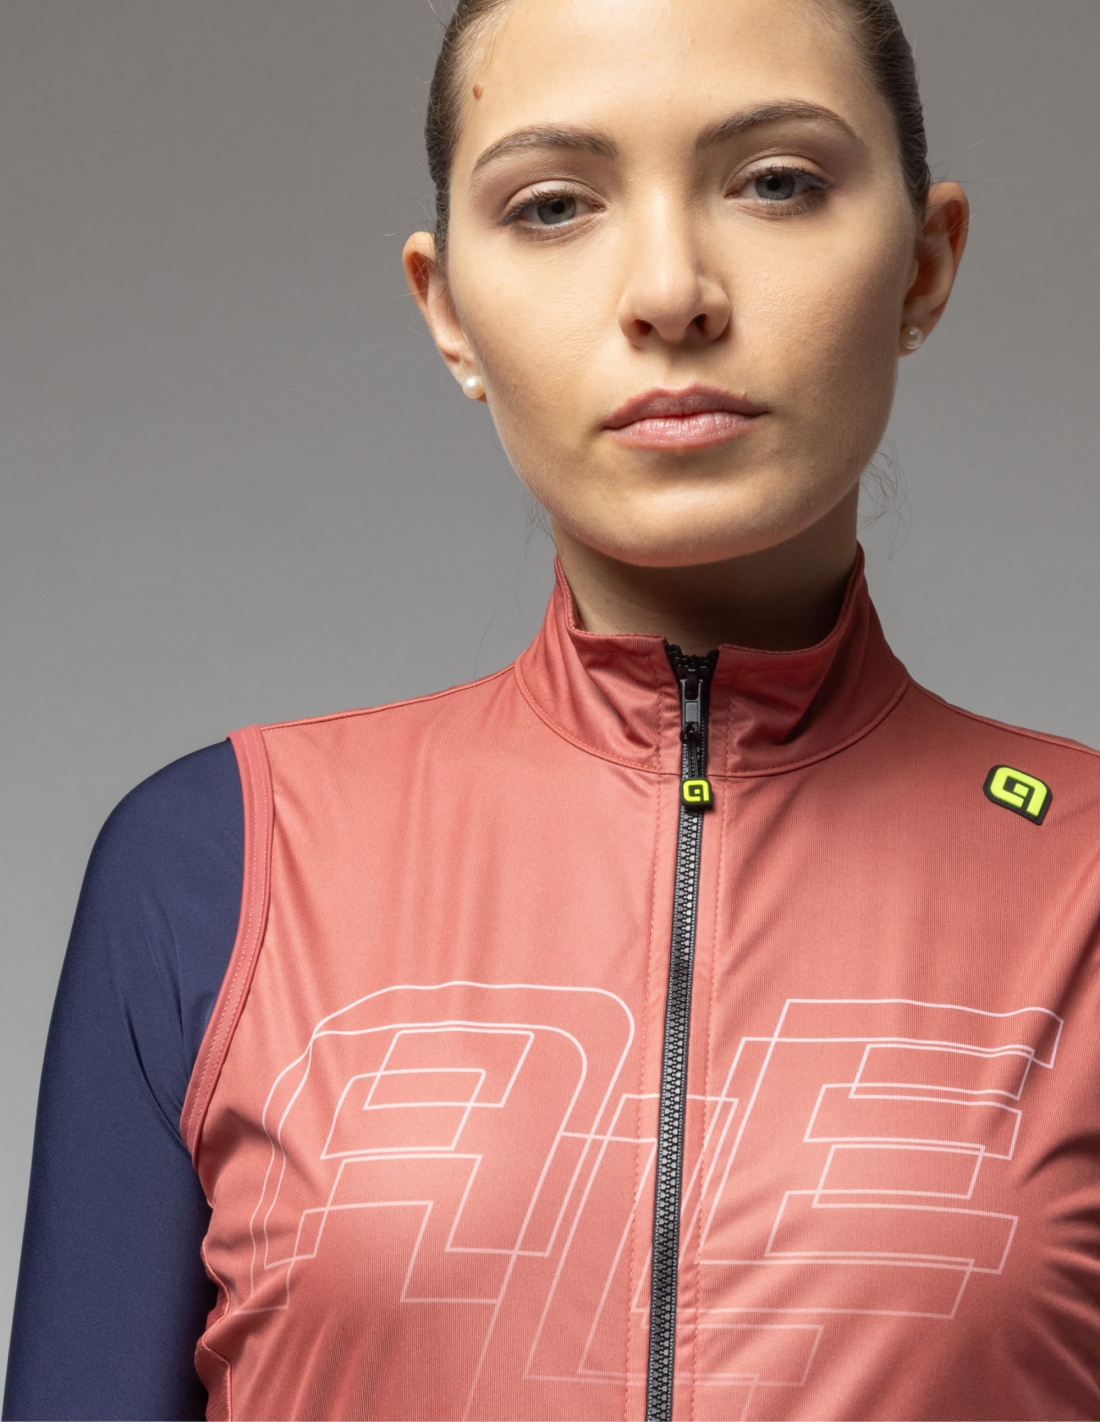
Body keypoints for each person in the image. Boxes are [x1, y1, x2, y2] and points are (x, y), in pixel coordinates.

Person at [6, 0, 1100, 1418]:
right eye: (554, 204)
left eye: (776, 181)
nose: (672, 291)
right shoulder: (217, 862)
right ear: (449, 312)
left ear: (924, 262)